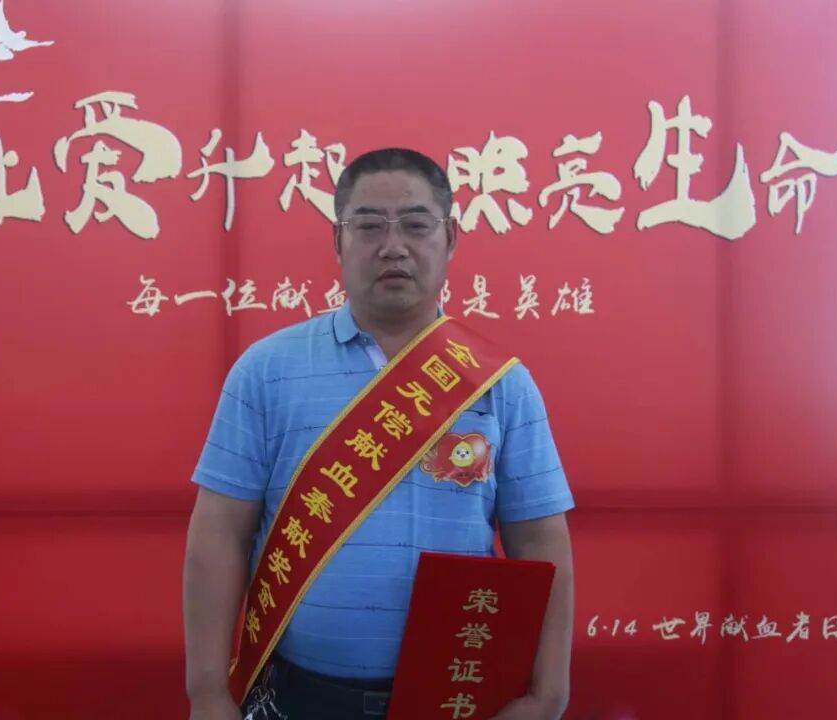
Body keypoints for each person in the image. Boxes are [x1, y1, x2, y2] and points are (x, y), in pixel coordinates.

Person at [183, 148, 575, 720]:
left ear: (450, 237)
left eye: (416, 224)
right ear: (338, 240)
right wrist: (207, 692)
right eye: (368, 225)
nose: (393, 246)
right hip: (297, 694)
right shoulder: (266, 370)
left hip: (455, 694)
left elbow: (540, 541)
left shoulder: (501, 384)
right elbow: (220, 532)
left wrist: (548, 694)